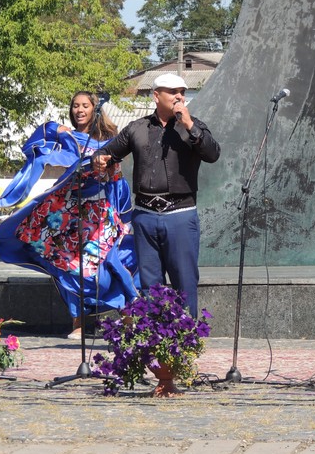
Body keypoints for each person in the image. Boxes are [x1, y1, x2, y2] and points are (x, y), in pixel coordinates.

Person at [0, 91, 137, 339]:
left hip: (100, 216)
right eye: (75, 106)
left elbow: (117, 181)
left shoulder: (111, 141)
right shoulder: (68, 139)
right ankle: (77, 323)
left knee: (110, 264)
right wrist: (57, 129)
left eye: (85, 106)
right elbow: (33, 144)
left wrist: (125, 215)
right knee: (69, 268)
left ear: (94, 109)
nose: (80, 110)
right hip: (69, 217)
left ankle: (128, 316)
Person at [93, 73, 220, 317]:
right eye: (172, 91)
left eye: (181, 91)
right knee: (150, 284)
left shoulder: (194, 126)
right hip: (145, 217)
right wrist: (98, 159)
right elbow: (106, 151)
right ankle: (155, 339)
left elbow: (213, 153)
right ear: (156, 95)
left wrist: (190, 126)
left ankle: (185, 341)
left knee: (185, 280)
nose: (179, 96)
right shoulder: (137, 128)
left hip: (180, 216)